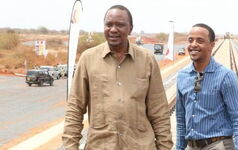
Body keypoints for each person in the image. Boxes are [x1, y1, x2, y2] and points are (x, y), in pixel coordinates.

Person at [62, 5, 173, 150]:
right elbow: (75, 108)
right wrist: (71, 146)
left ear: (130, 28)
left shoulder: (147, 60)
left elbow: (159, 111)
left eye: (120, 25)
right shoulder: (88, 59)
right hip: (100, 146)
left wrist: (164, 147)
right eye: (109, 25)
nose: (113, 29)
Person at [175, 23, 238, 150]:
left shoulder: (226, 76)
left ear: (212, 45)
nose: (193, 45)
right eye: (190, 40)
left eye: (200, 40)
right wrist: (179, 147)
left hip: (218, 145)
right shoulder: (182, 76)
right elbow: (181, 119)